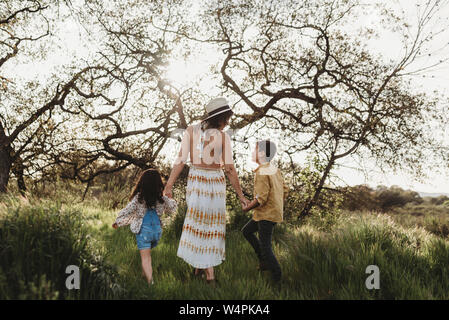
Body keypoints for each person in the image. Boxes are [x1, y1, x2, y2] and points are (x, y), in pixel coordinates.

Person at [163, 97, 250, 286]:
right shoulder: (223, 137)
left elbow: (180, 160)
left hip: (197, 181)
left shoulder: (191, 131)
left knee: (199, 224)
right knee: (210, 226)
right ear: (218, 117)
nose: (227, 123)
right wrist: (241, 196)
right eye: (226, 118)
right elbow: (229, 169)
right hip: (213, 182)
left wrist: (169, 185)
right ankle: (209, 275)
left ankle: (199, 268)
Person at [112, 168, 177, 286]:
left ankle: (150, 283)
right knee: (146, 255)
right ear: (158, 184)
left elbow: (128, 211)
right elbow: (173, 208)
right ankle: (144, 276)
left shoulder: (139, 198)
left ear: (142, 183)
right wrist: (170, 197)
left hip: (144, 232)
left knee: (146, 258)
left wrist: (118, 222)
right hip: (157, 232)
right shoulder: (161, 199)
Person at [241, 140, 289, 287]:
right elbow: (285, 190)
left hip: (266, 215)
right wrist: (276, 203)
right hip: (269, 213)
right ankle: (263, 260)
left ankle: (277, 277)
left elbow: (261, 198)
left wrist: (247, 208)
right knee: (247, 231)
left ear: (261, 153)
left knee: (265, 246)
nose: (252, 153)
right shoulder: (275, 170)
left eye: (254, 150)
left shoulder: (262, 171)